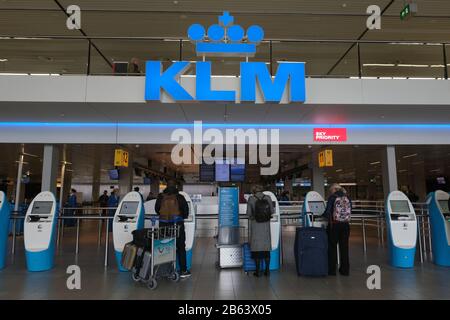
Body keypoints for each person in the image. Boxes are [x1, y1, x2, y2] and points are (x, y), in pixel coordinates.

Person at [155, 180, 191, 278]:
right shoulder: (180, 197)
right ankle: (183, 270)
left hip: (163, 225)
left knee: (165, 246)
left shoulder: (160, 197)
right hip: (177, 225)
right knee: (181, 247)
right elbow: (186, 211)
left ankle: (165, 270)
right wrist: (181, 217)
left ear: (166, 187)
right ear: (175, 187)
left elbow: (157, 209)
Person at [324, 183, 352, 276]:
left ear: (334, 189)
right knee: (344, 247)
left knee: (332, 247)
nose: (330, 192)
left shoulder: (332, 197)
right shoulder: (347, 197)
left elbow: (327, 212)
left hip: (334, 226)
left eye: (331, 190)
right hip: (345, 225)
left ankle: (331, 270)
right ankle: (345, 270)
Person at [246, 185, 274, 277]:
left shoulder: (251, 199)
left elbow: (249, 214)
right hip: (266, 226)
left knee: (256, 250)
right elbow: (272, 211)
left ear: (253, 190)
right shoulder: (268, 197)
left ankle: (257, 272)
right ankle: (267, 270)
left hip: (256, 226)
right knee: (266, 250)